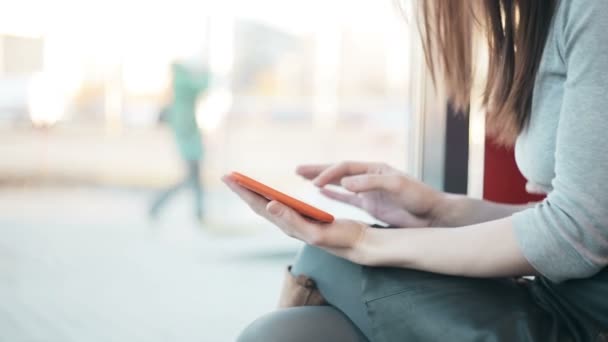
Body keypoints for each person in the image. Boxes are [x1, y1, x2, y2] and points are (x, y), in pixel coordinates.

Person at [224, 0, 608, 341]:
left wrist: (364, 242)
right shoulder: (554, 17)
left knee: (328, 258)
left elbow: (574, 238)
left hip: (587, 321)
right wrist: (441, 212)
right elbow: (586, 224)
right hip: (563, 298)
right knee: (280, 332)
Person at [150, 61, 210, 223]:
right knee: (190, 180)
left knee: (195, 181)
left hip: (190, 147)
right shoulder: (183, 99)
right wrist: (207, 72)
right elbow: (201, 86)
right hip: (190, 149)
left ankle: (199, 213)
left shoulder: (179, 98)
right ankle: (156, 205)